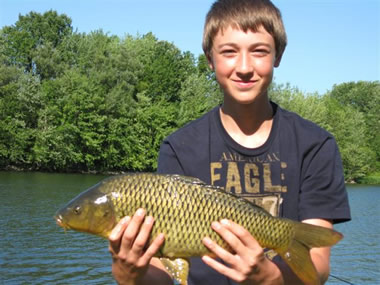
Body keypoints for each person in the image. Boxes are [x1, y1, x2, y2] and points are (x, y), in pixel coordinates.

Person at [108, 0, 351, 284]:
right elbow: (164, 274)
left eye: (259, 51)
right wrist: (128, 272)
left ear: (278, 55)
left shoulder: (315, 145)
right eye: (229, 52)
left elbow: (318, 266)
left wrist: (268, 277)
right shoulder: (179, 147)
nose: (245, 67)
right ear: (210, 60)